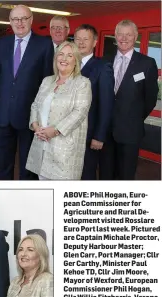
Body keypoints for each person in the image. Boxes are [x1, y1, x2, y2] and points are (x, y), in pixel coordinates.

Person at [0, 5, 53, 180]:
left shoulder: (44, 45)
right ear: (10, 21)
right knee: (3, 164)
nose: (20, 22)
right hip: (2, 115)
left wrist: (42, 117)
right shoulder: (2, 44)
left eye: (24, 18)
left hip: (30, 118)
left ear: (31, 20)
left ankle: (26, 199)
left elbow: (47, 83)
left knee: (28, 166)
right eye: (15, 19)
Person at [100, 20, 158, 180]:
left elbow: (150, 98)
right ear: (115, 36)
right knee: (105, 174)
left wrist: (133, 118)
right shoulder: (105, 60)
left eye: (128, 34)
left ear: (135, 37)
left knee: (125, 176)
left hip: (130, 132)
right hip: (105, 131)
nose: (124, 38)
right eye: (120, 34)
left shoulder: (147, 63)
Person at [26, 41, 92, 180]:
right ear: (56, 58)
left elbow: (79, 112)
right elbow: (35, 105)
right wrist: (36, 126)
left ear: (76, 61)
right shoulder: (47, 81)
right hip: (41, 144)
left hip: (64, 150)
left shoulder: (82, 83)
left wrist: (55, 130)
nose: (64, 59)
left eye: (69, 55)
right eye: (61, 54)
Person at [74, 24, 115, 180]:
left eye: (86, 39)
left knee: (85, 175)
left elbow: (107, 104)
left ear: (95, 42)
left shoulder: (103, 67)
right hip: (66, 133)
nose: (81, 42)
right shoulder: (67, 64)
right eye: (78, 39)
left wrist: (99, 136)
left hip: (88, 135)